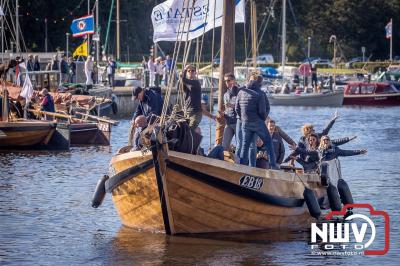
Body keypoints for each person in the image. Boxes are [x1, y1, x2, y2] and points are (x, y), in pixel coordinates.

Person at [235, 75, 278, 169]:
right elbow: (263, 111)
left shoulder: (241, 92)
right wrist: (262, 118)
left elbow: (236, 108)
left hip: (245, 123)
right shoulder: (260, 93)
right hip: (257, 122)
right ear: (259, 84)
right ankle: (273, 166)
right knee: (268, 143)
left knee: (245, 146)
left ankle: (241, 167)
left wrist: (243, 118)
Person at [292, 135, 367, 172]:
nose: (325, 141)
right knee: (308, 163)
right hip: (315, 168)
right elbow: (307, 152)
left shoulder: (335, 150)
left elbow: (346, 152)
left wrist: (359, 152)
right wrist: (297, 151)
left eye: (327, 140)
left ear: (329, 141)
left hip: (327, 171)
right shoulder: (318, 150)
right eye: (324, 140)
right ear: (321, 142)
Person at [221, 73, 240, 151]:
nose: (227, 83)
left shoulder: (240, 91)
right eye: (225, 81)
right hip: (229, 123)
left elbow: (243, 107)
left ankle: (240, 162)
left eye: (228, 80)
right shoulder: (225, 94)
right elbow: (226, 108)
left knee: (240, 145)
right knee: (224, 145)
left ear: (233, 80)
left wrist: (232, 106)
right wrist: (223, 114)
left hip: (238, 122)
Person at [180, 64, 202, 129]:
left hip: (195, 114)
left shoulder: (196, 83)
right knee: (184, 131)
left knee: (190, 131)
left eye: (192, 71)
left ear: (195, 72)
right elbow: (182, 80)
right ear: (187, 72)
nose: (190, 72)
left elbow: (183, 79)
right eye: (188, 71)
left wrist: (185, 68)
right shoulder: (186, 84)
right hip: (187, 112)